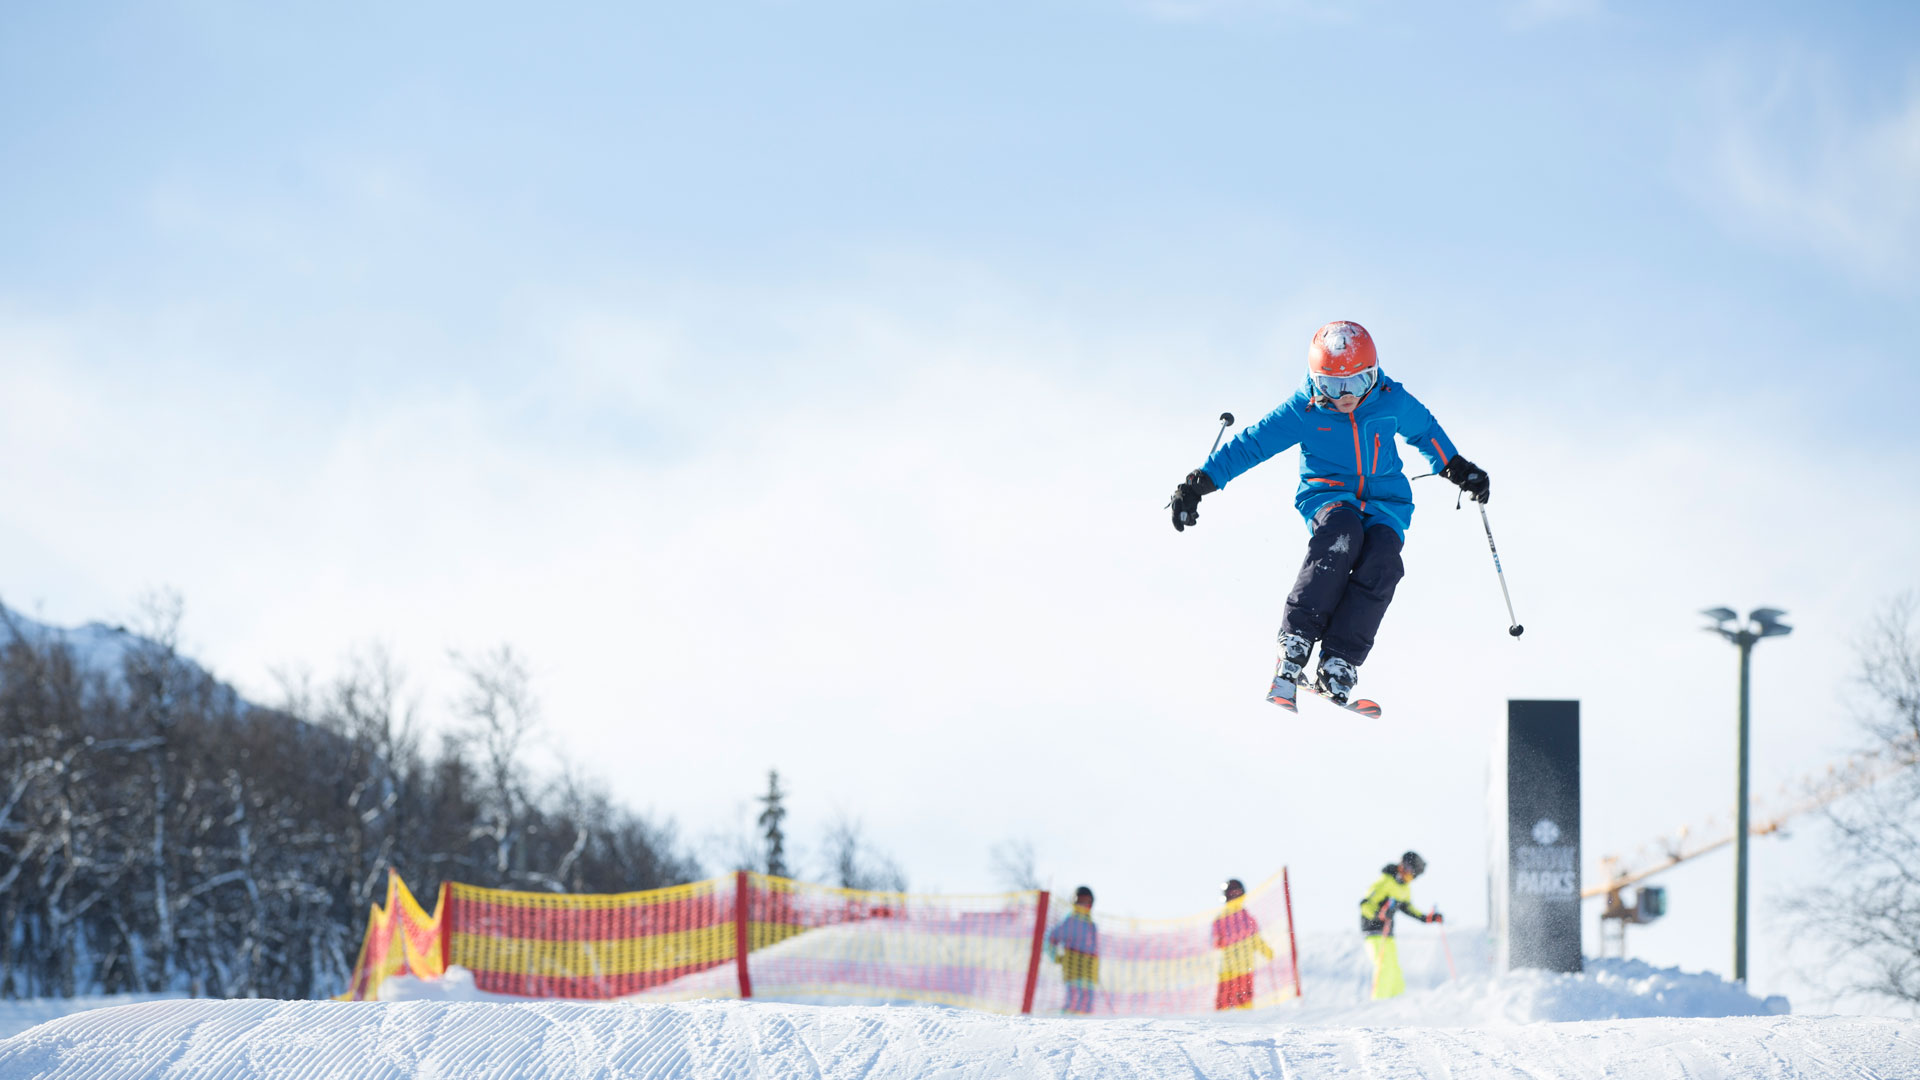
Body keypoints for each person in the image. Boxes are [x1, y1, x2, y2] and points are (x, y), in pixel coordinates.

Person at [1167, 321, 1490, 708]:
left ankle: (1341, 659)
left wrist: (1456, 466)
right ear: (1317, 381)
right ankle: (1297, 636)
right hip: (1328, 494)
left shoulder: (1390, 399)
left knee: (1384, 563)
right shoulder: (1303, 409)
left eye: (1357, 382)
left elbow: (1425, 431)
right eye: (1333, 386)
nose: (1345, 396)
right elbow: (1252, 445)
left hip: (1387, 501)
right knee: (1342, 536)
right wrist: (1198, 484)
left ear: (1374, 374)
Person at [1359, 850, 1442, 1000]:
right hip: (1373, 931)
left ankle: (1396, 1002)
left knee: (1394, 969)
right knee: (1383, 966)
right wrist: (1379, 915)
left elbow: (1408, 909)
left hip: (1387, 933)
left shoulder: (1404, 888)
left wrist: (1427, 918)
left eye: (1413, 876)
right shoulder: (1384, 882)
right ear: (1402, 866)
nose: (1410, 877)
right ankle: (1378, 1001)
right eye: (1409, 872)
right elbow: (1365, 905)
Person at [1211, 877, 1274, 1010]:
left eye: (1237, 894)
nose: (1235, 897)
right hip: (1228, 971)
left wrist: (1267, 952)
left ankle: (1244, 1027)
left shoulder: (1247, 918)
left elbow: (1256, 940)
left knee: (1243, 1006)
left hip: (1245, 970)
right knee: (1223, 1005)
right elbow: (1216, 943)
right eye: (1232, 894)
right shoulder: (1221, 919)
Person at [1045, 885, 1100, 1015]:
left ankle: (1085, 1030)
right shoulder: (1070, 921)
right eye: (1080, 901)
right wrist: (1056, 957)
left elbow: (1094, 950)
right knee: (1073, 1002)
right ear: (1074, 902)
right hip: (1073, 970)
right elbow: (1051, 938)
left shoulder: (1091, 924)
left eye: (1086, 901)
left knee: (1087, 1003)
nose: (1083, 904)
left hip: (1089, 972)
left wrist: (1095, 969)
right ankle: (1066, 1026)